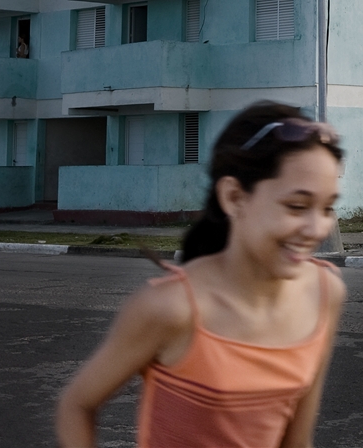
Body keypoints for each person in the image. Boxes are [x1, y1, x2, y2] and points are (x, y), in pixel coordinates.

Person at [56, 102, 346, 448]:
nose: (318, 229)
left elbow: (297, 441)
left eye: (328, 207)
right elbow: (77, 405)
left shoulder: (326, 292)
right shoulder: (171, 308)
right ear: (234, 197)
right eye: (297, 206)